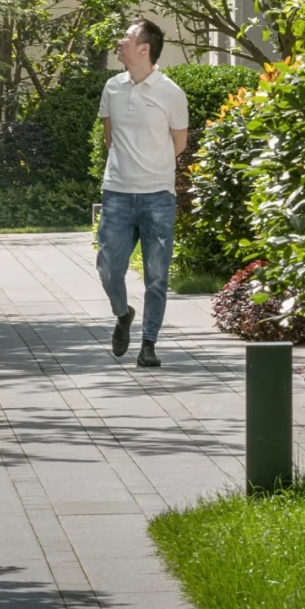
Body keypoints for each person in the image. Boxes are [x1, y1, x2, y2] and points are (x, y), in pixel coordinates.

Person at [95, 18, 188, 365]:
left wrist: (151, 166)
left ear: (144, 49)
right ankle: (123, 315)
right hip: (117, 192)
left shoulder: (171, 93)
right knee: (108, 269)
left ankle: (148, 344)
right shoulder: (112, 87)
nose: (120, 42)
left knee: (157, 276)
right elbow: (109, 137)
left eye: (127, 38)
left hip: (158, 197)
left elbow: (179, 143)